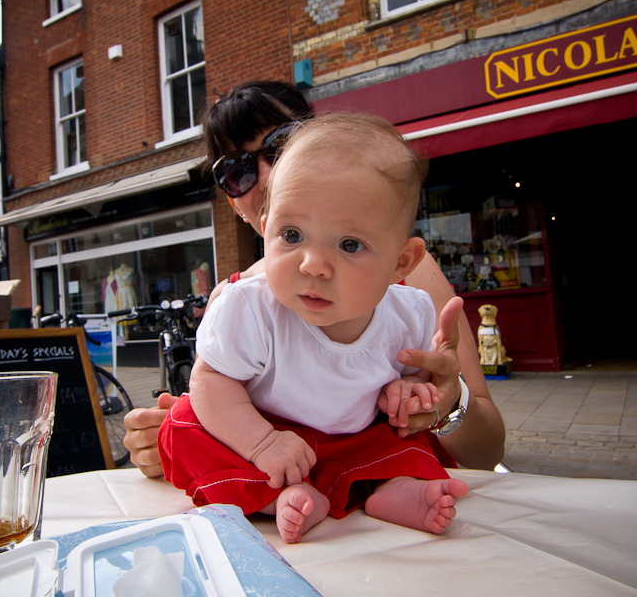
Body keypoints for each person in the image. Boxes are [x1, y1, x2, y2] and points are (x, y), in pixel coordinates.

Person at [123, 80, 505, 479]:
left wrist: (447, 401)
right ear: (234, 202)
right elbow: (218, 403)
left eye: (282, 144)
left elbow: (487, 452)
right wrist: (164, 442)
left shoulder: (406, 282)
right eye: (238, 171)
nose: (269, 174)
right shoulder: (237, 301)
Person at [159, 113, 469, 543]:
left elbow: (411, 375)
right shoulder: (250, 307)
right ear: (265, 232)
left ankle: (392, 489)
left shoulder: (411, 312)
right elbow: (210, 381)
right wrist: (263, 444)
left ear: (401, 263)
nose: (313, 265)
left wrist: (408, 391)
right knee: (183, 425)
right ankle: (278, 498)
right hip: (266, 442)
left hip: (356, 440)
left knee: (407, 439)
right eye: (291, 235)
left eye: (349, 244)